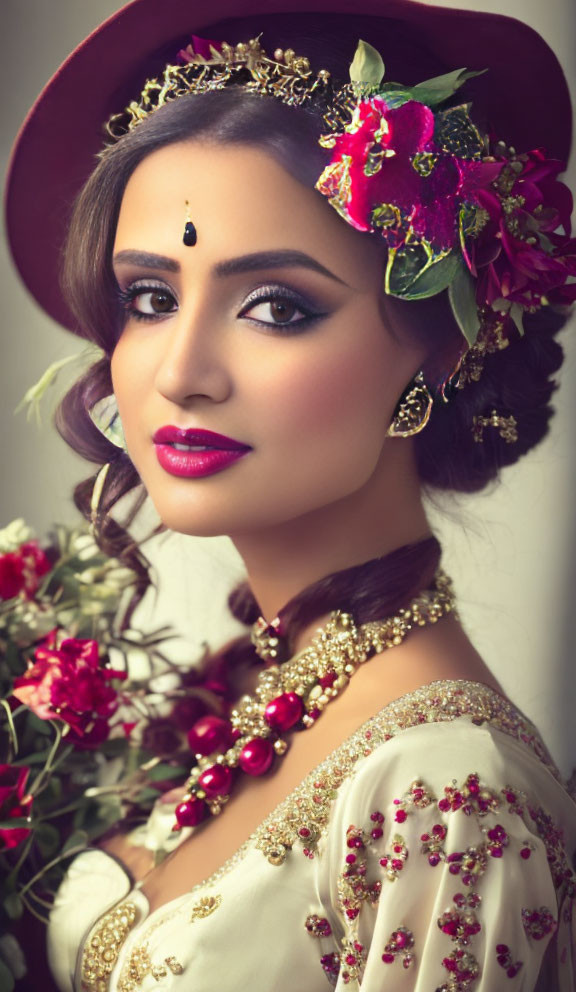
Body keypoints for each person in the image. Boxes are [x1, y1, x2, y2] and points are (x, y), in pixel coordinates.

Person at [5, 0, 576, 989]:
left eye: (277, 305)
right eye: (151, 297)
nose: (181, 370)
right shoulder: (263, 691)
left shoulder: (447, 789)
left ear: (439, 354)